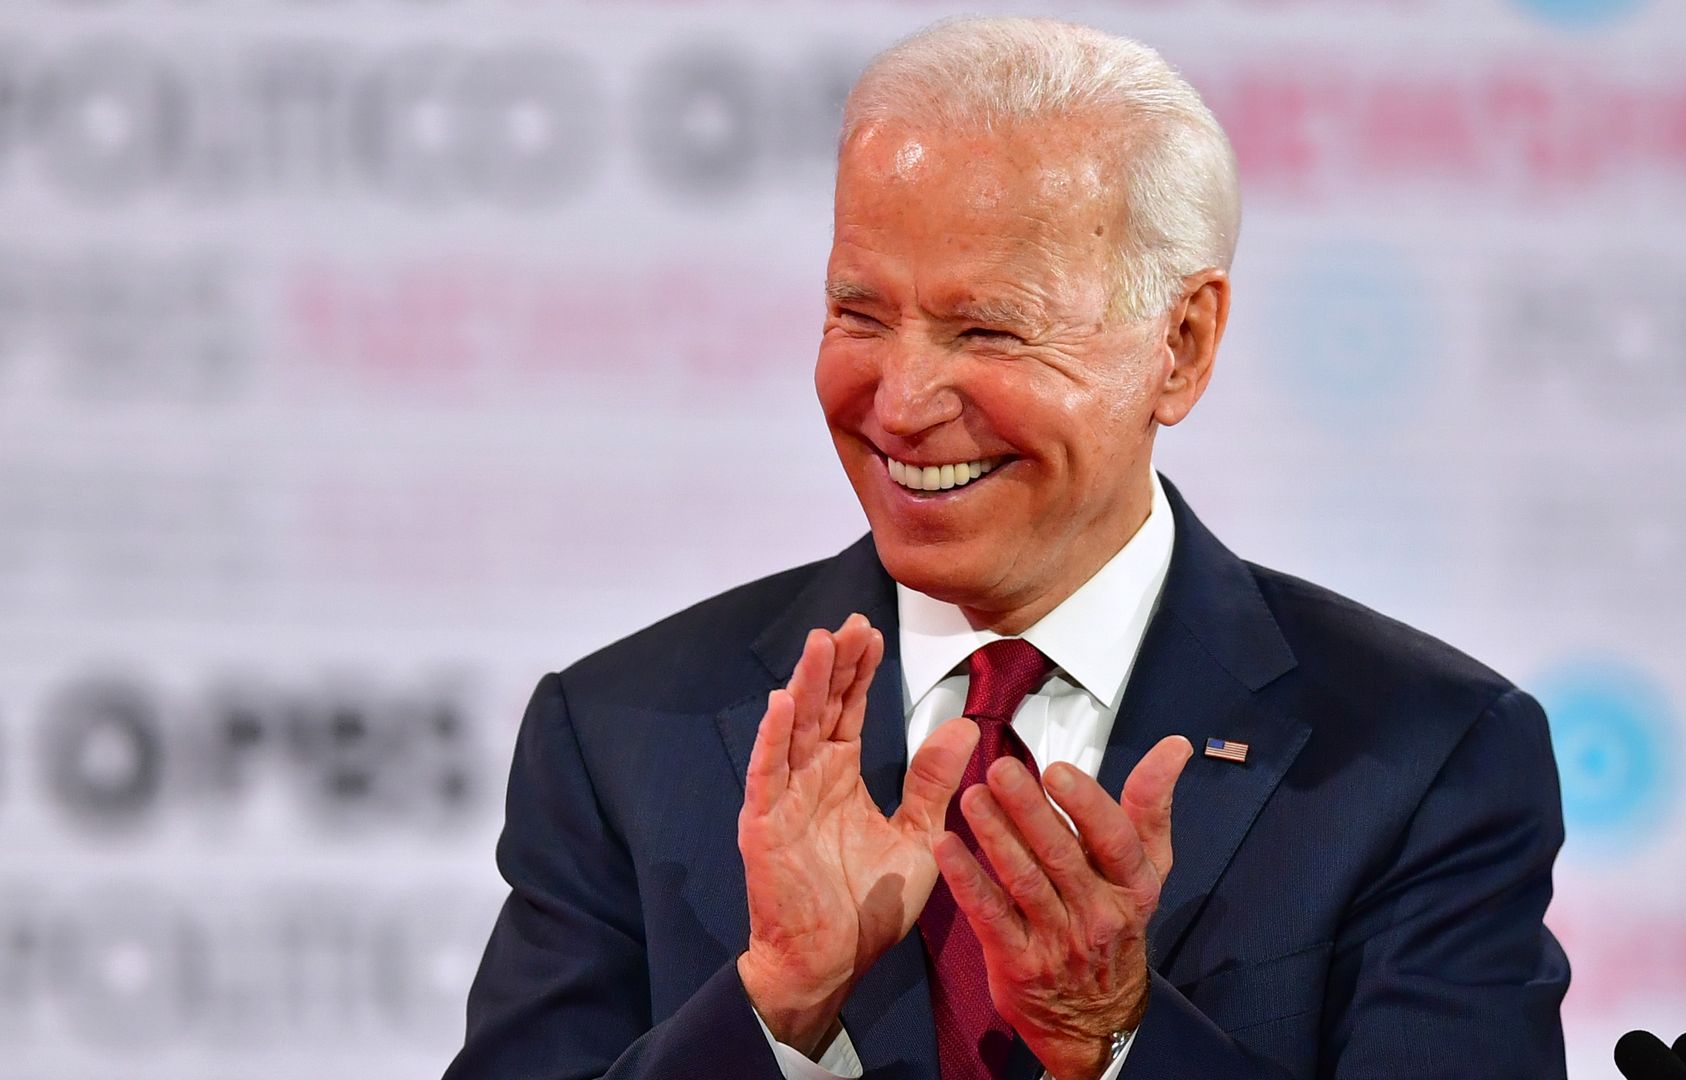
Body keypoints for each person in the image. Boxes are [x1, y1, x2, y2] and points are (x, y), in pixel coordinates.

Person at [443, 16, 1569, 1080]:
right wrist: (775, 1008)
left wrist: (1116, 1040)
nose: (900, 400)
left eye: (986, 330)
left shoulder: (1419, 757)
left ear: (1180, 346)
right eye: (860, 315)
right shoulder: (623, 736)